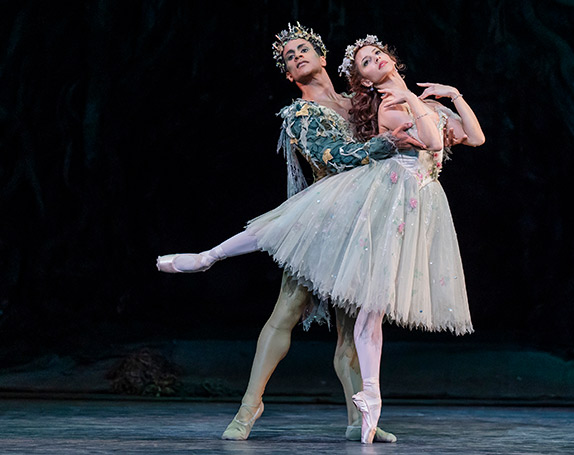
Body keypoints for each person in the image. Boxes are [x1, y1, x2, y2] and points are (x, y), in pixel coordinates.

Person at [157, 24, 420, 443]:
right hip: (320, 223)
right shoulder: (298, 114)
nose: (297, 55)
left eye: (304, 49)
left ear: (323, 57)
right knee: (287, 311)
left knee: (353, 332)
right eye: (289, 57)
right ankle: (249, 407)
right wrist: (385, 144)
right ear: (288, 75)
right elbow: (331, 157)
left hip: (360, 226)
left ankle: (360, 420)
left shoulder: (359, 103)